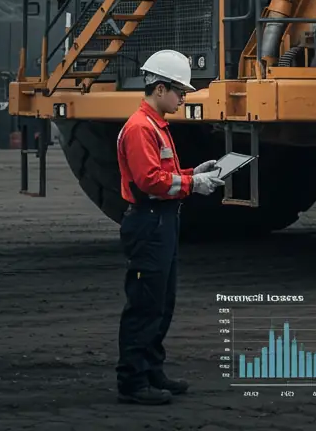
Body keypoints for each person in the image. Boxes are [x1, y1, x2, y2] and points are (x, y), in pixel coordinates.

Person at [115, 49, 224, 405]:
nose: (183, 98)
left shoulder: (155, 125)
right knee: (145, 305)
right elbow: (150, 181)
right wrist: (195, 184)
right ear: (160, 88)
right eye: (180, 91)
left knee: (161, 302)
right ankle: (133, 382)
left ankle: (151, 370)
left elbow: (164, 175)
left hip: (159, 221)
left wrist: (194, 172)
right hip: (149, 222)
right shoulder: (141, 128)